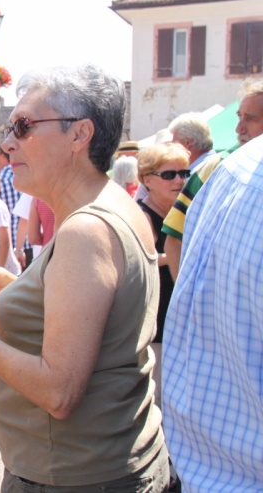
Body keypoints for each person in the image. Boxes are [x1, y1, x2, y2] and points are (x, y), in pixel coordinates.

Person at [0, 64, 168, 492]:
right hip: (107, 462)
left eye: (22, 127)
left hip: (73, 475)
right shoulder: (110, 203)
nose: (6, 143)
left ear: (80, 134)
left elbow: (59, 391)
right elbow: (92, 307)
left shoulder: (85, 230)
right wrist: (9, 283)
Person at [163, 135, 263, 492]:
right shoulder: (226, 171)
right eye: (166, 173)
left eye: (178, 171)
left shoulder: (232, 170)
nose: (239, 127)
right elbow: (173, 242)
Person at [162, 80, 263, 279]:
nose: (238, 129)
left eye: (249, 119)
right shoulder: (217, 167)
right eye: (239, 117)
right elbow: (174, 241)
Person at [135, 142, 189, 405]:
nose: (179, 180)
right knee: (160, 400)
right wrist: (178, 254)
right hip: (158, 323)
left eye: (184, 173)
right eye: (169, 174)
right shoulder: (142, 215)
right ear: (148, 179)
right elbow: (144, 262)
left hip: (181, 320)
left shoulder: (183, 212)